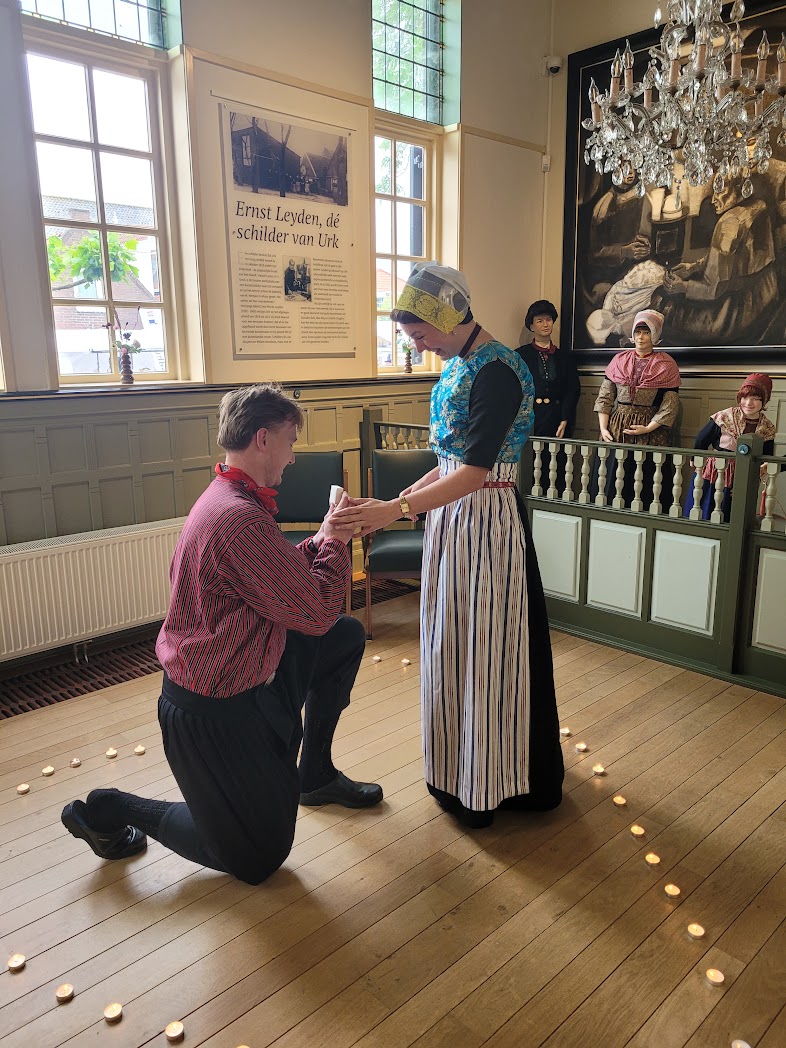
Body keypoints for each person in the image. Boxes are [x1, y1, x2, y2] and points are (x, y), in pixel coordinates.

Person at [61, 384, 381, 886]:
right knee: (258, 860)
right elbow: (317, 610)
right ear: (262, 439)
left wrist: (322, 536)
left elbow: (277, 578)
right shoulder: (239, 517)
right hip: (212, 711)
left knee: (343, 637)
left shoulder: (227, 497)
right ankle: (111, 807)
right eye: (290, 442)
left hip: (246, 675)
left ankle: (315, 774)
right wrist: (337, 542)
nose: (293, 457)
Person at [333, 262, 564, 828]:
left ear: (446, 318)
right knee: (451, 643)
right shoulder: (463, 364)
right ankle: (456, 768)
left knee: (485, 650)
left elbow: (477, 473)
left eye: (419, 334)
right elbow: (448, 462)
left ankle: (490, 779)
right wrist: (396, 502)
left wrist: (394, 511)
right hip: (453, 522)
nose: (417, 346)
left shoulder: (498, 371)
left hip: (486, 524)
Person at [655, 180, 778, 345]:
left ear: (739, 189)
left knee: (662, 305)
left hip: (736, 315)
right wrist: (695, 266)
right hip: (766, 294)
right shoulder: (759, 206)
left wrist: (683, 287)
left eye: (719, 191)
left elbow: (714, 289)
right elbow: (736, 258)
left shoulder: (729, 222)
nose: (713, 200)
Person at [592, 309, 681, 507]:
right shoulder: (619, 360)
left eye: (646, 332)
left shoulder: (666, 365)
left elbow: (670, 404)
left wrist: (648, 428)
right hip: (617, 428)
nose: (641, 337)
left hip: (651, 431)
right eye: (638, 332)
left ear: (655, 335)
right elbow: (605, 396)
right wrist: (604, 428)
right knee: (613, 478)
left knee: (646, 482)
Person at [685, 373, 776, 522]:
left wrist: (764, 466)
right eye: (745, 397)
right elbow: (702, 438)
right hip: (716, 471)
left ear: (764, 401)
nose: (749, 403)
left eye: (755, 399)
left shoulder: (767, 427)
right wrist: (696, 459)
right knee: (708, 505)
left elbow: (767, 454)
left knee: (735, 512)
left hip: (745, 474)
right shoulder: (724, 417)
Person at [516, 300, 580, 439]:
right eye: (540, 321)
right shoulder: (520, 356)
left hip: (557, 420)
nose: (545, 324)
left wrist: (565, 419)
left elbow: (572, 390)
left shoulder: (565, 357)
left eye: (548, 320)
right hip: (529, 421)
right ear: (532, 326)